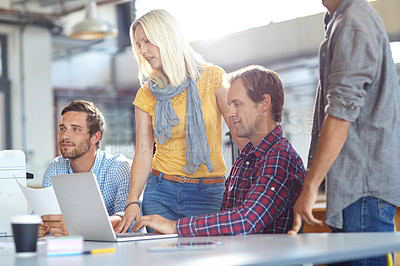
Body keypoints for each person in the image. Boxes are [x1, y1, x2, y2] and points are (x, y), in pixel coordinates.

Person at [130, 65, 306, 236]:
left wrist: (174, 226)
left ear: (264, 103)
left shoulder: (280, 157)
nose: (229, 113)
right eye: (230, 105)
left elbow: (246, 220)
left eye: (237, 104)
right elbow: (226, 219)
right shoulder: (247, 157)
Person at [115, 9, 247, 233]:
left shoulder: (212, 77)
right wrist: (132, 201)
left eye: (147, 41)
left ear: (167, 36)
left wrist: (254, 179)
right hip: (161, 192)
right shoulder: (147, 94)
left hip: (209, 193)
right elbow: (144, 150)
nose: (143, 50)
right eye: (138, 44)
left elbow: (239, 132)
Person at [289, 0, 400, 265]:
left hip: (362, 193)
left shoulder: (353, 23)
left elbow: (340, 114)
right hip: (357, 192)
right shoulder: (341, 21)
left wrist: (310, 186)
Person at [38, 100, 132, 237]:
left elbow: (126, 218)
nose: (65, 136)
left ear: (95, 136)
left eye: (76, 129)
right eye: (62, 128)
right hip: (70, 250)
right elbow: (43, 214)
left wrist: (77, 227)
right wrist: (39, 225)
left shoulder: (119, 167)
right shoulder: (55, 168)